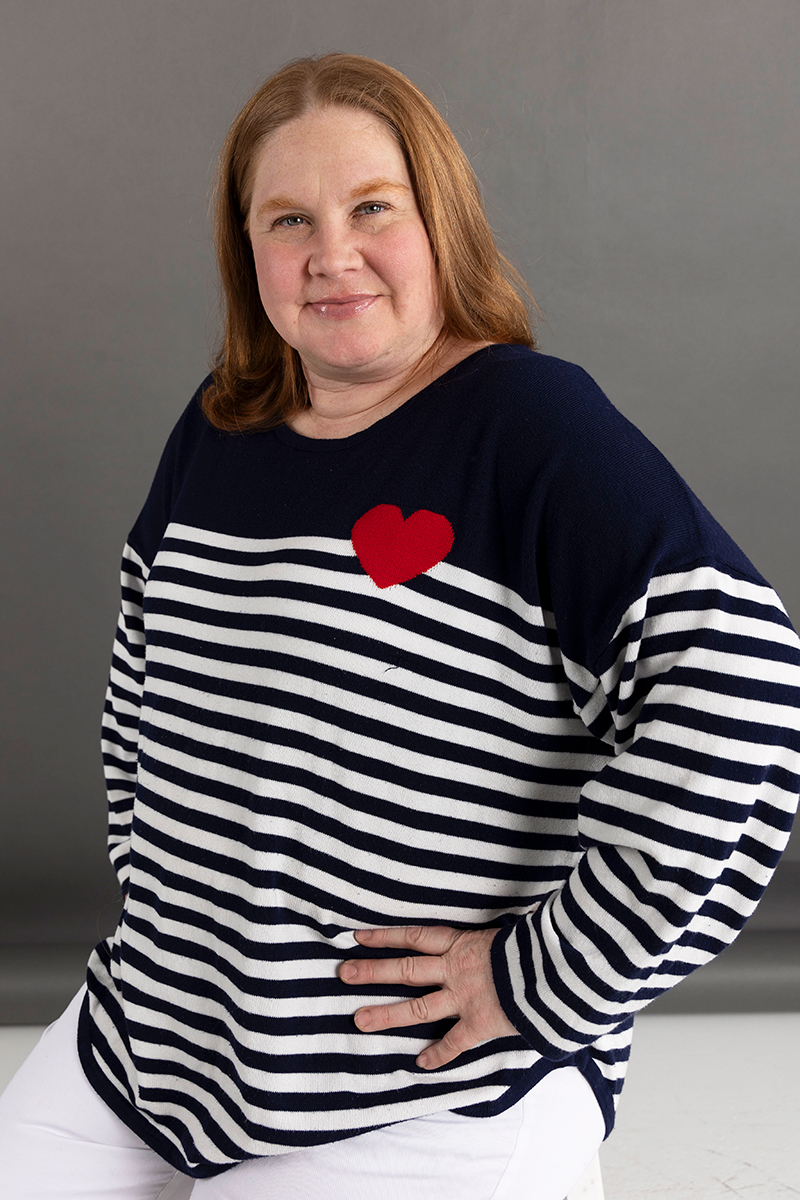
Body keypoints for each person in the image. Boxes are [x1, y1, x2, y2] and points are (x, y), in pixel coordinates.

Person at [1, 51, 798, 1200]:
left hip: (419, 1076)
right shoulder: (221, 427)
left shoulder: (529, 427)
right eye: (288, 219)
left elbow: (740, 688)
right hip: (159, 1034)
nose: (331, 253)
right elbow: (140, 669)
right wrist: (161, 888)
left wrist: (544, 977)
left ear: (441, 222)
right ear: (246, 249)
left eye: (372, 207)